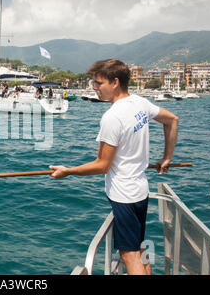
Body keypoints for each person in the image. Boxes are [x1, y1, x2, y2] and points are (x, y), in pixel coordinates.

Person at [49, 59, 178, 275]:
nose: (94, 87)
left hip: (124, 195)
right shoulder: (140, 103)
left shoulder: (112, 117)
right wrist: (167, 157)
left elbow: (102, 166)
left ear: (115, 82)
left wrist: (68, 171)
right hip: (140, 191)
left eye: (99, 83)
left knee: (128, 254)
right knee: (138, 246)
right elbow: (172, 120)